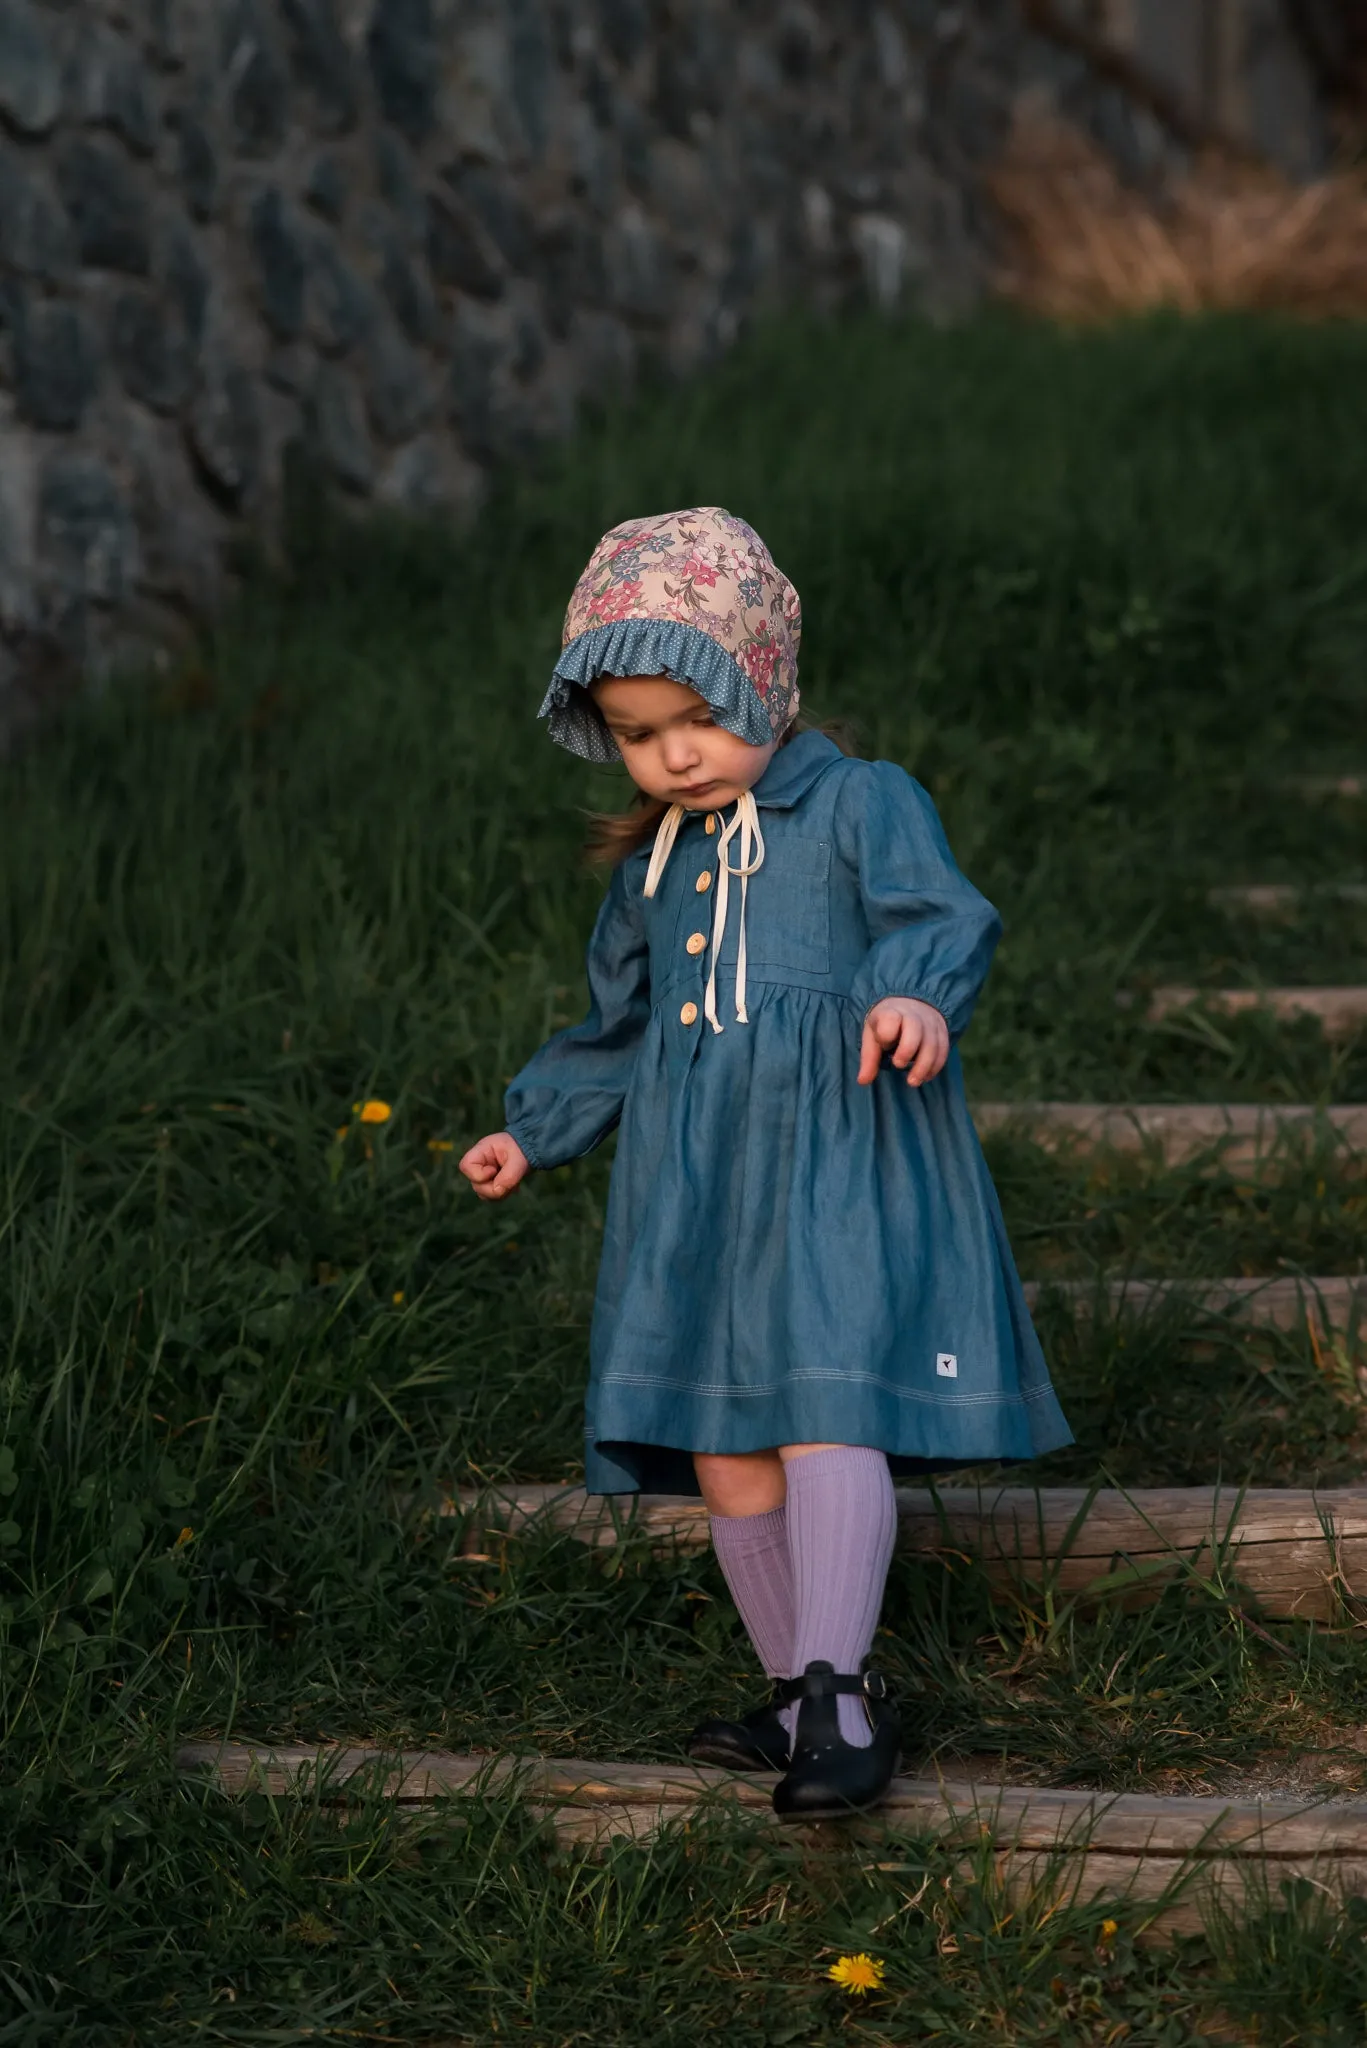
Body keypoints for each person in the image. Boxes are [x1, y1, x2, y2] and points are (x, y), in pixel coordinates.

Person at [460, 506, 1071, 1820]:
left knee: (820, 1409)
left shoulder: (858, 800)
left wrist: (910, 997)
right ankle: (796, 1697)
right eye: (635, 733)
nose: (672, 756)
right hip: (694, 1194)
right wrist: (535, 1125)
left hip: (838, 1162)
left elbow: (938, 914)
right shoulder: (655, 873)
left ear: (765, 686)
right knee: (726, 1444)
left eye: (696, 717)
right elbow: (615, 1033)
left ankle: (843, 1690)